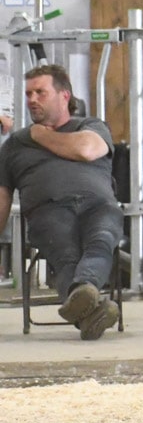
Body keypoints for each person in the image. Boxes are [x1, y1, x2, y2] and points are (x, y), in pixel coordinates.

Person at [0, 63, 122, 339]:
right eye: (29, 93)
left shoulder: (90, 126)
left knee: (101, 239)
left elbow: (87, 150)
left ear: (64, 95)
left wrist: (42, 135)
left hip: (98, 205)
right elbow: (3, 196)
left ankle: (85, 301)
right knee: (65, 255)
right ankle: (90, 303)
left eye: (40, 92)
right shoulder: (14, 145)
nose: (32, 99)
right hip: (48, 211)